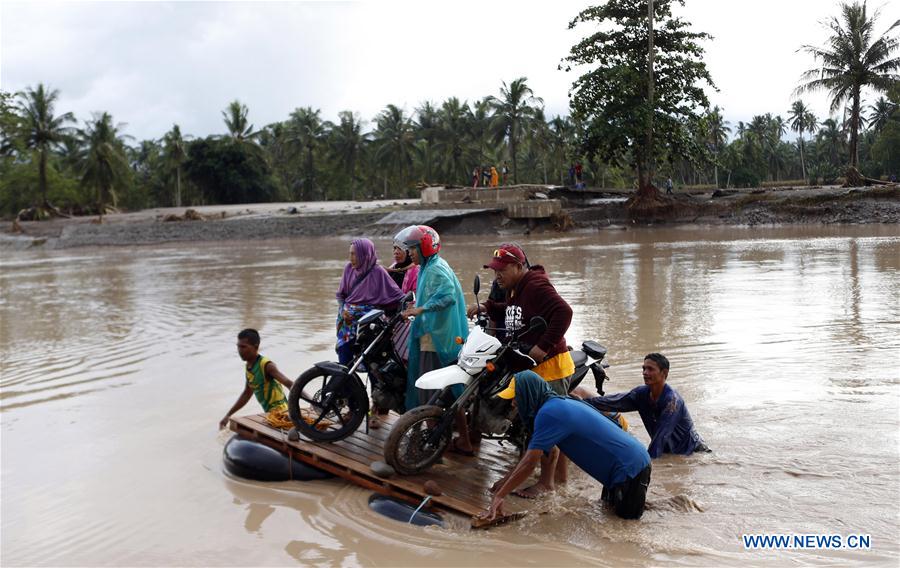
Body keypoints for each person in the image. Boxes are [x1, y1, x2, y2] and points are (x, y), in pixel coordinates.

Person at [464, 244, 574, 495]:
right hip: (531, 366)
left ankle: (546, 484)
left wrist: (543, 346)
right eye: (495, 271)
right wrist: (488, 307)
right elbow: (515, 312)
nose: (497, 276)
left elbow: (564, 312)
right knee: (534, 424)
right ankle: (558, 480)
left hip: (550, 368)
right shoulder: (515, 288)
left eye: (502, 270)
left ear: (518, 266)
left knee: (546, 426)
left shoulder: (535, 285)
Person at [478, 371, 652, 522]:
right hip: (625, 466)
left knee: (625, 527)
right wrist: (506, 482)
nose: (513, 403)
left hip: (630, 468)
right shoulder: (557, 403)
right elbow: (535, 455)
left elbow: (530, 463)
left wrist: (500, 496)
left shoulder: (549, 413)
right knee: (609, 516)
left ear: (529, 393)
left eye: (517, 396)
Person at [396, 225, 468, 411]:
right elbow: (432, 295)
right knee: (444, 389)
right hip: (436, 335)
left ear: (425, 247)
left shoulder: (434, 269)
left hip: (436, 339)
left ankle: (430, 424)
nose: (409, 253)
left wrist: (421, 309)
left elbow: (448, 296)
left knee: (429, 390)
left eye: (413, 248)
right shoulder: (429, 266)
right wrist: (417, 306)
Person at [584, 353, 709, 458]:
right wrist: (582, 401)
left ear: (664, 373)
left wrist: (648, 465)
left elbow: (660, 438)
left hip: (694, 453)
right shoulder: (641, 394)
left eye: (650, 369)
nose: (645, 372)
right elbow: (611, 402)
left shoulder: (672, 401)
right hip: (669, 452)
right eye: (644, 368)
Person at [335, 238, 404, 366]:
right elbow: (340, 296)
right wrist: (343, 310)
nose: (351, 258)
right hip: (347, 323)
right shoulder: (349, 269)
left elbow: (398, 297)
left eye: (354, 254)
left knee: (371, 358)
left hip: (370, 324)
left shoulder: (378, 272)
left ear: (364, 254)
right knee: (344, 357)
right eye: (350, 254)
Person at [219, 329, 295, 430]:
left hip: (281, 415)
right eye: (238, 346)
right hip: (270, 415)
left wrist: (312, 401)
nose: (239, 350)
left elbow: (290, 384)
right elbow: (247, 394)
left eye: (243, 347)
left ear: (256, 347)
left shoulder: (266, 365)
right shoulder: (249, 367)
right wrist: (228, 415)